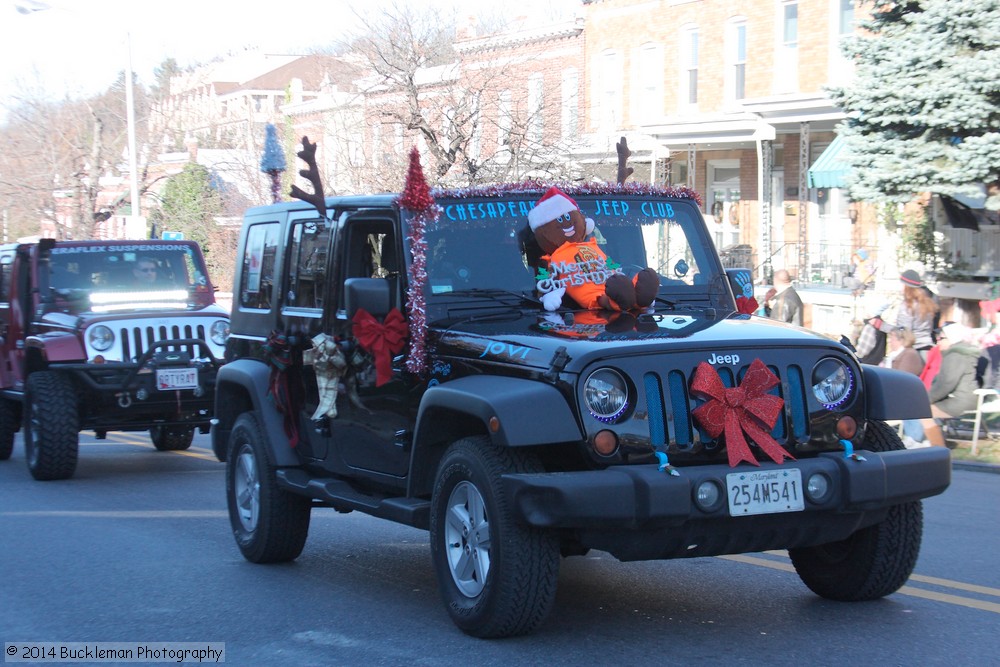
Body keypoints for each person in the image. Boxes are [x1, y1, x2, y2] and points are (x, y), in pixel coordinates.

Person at [919, 322, 982, 447]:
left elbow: (945, 384)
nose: (938, 341)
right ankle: (934, 443)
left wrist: (926, 399)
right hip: (965, 398)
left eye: (941, 338)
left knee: (922, 411)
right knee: (923, 409)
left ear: (952, 338)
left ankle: (937, 448)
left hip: (961, 401)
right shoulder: (961, 353)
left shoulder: (955, 355)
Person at [879, 269, 939, 360]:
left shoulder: (908, 306)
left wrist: (880, 325)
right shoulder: (927, 303)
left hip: (913, 351)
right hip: (927, 348)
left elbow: (904, 332)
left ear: (906, 286)